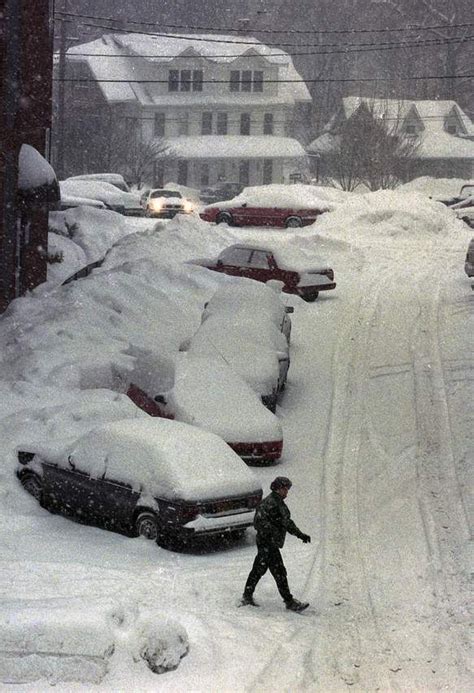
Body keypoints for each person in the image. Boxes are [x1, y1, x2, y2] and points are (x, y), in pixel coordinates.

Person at [241, 476, 311, 612]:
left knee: (261, 570)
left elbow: (287, 523)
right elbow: (258, 523)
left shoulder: (278, 503)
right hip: (267, 544)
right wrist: (273, 531)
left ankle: (247, 595)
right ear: (278, 489)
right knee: (276, 572)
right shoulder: (269, 503)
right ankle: (289, 601)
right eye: (285, 489)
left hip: (270, 544)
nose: (287, 492)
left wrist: (300, 534)